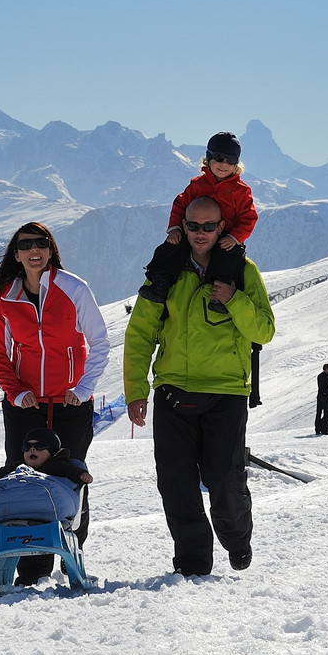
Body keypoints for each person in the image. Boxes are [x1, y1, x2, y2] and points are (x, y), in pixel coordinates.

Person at [125, 196, 275, 577]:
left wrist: (234, 299)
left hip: (226, 392)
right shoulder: (166, 271)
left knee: (225, 479)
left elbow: (264, 330)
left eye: (209, 226)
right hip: (174, 391)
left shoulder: (243, 271)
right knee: (175, 483)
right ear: (182, 226)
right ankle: (192, 563)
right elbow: (141, 332)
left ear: (222, 227)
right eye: (193, 226)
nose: (201, 233)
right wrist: (136, 391)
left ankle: (237, 537)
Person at [0, 221, 109, 581]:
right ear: (16, 253)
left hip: (71, 405)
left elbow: (100, 342)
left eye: (41, 243)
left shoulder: (73, 289)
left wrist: (84, 388)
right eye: (26, 245)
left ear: (51, 249)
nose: (34, 250)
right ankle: (31, 569)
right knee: (23, 478)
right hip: (26, 407)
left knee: (72, 478)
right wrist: (16, 392)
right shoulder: (6, 297)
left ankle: (72, 560)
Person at [138, 132, 257, 314]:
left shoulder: (241, 191)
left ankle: (220, 299)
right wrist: (175, 229)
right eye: (219, 158)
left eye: (230, 160)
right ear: (208, 159)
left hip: (227, 238)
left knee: (228, 263)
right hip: (194, 231)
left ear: (237, 165)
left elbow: (248, 218)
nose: (224, 164)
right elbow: (180, 204)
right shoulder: (197, 184)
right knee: (170, 250)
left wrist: (235, 238)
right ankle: (160, 283)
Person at [0, 428, 92, 584]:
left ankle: (38, 574)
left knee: (41, 536)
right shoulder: (19, 468)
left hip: (46, 516)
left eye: (39, 446)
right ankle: (24, 573)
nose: (32, 449)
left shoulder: (56, 465)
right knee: (19, 534)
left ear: (51, 451)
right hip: (20, 515)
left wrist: (81, 475)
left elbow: (71, 471)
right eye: (27, 446)